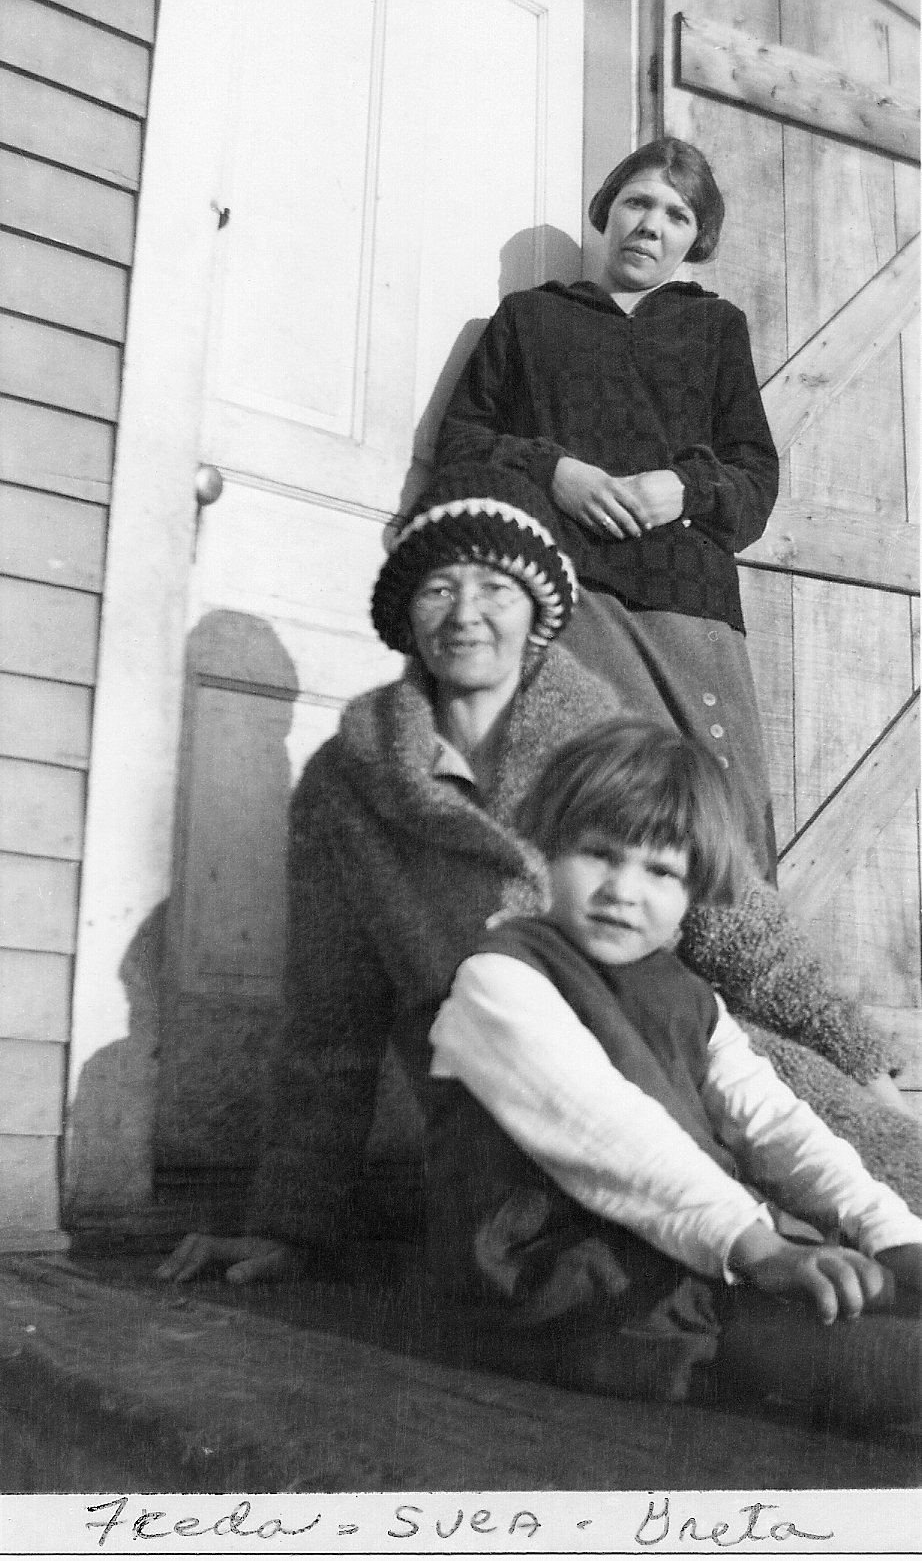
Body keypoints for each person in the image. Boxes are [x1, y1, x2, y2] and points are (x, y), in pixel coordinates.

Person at [157, 468, 921, 1290]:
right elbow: (329, 1024)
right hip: (512, 1107)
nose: (466, 613)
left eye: (496, 586)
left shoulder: (607, 742)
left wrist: (855, 1058)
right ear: (404, 616)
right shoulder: (349, 785)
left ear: (538, 613)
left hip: (667, 1041)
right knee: (677, 1274)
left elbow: (737, 923)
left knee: (872, 1184)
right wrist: (290, 1226)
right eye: (437, 588)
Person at [425, 720, 922, 1434]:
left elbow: (775, 1123)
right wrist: (761, 1249)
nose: (623, 891)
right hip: (568, 1289)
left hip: (691, 1257)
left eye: (661, 871)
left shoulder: (690, 999)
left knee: (882, 1288)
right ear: (549, 851)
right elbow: (609, 1135)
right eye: (599, 855)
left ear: (694, 890)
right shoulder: (498, 979)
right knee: (890, 1371)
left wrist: (889, 1234)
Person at [434, 138, 779, 877]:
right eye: (638, 202)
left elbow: (755, 482)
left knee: (719, 833)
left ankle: (713, 996)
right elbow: (462, 444)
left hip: (688, 610)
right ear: (607, 212)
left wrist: (685, 488)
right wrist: (555, 472)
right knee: (575, 819)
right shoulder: (530, 320)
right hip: (565, 598)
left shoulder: (717, 330)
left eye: (677, 214)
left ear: (697, 238)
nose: (652, 225)